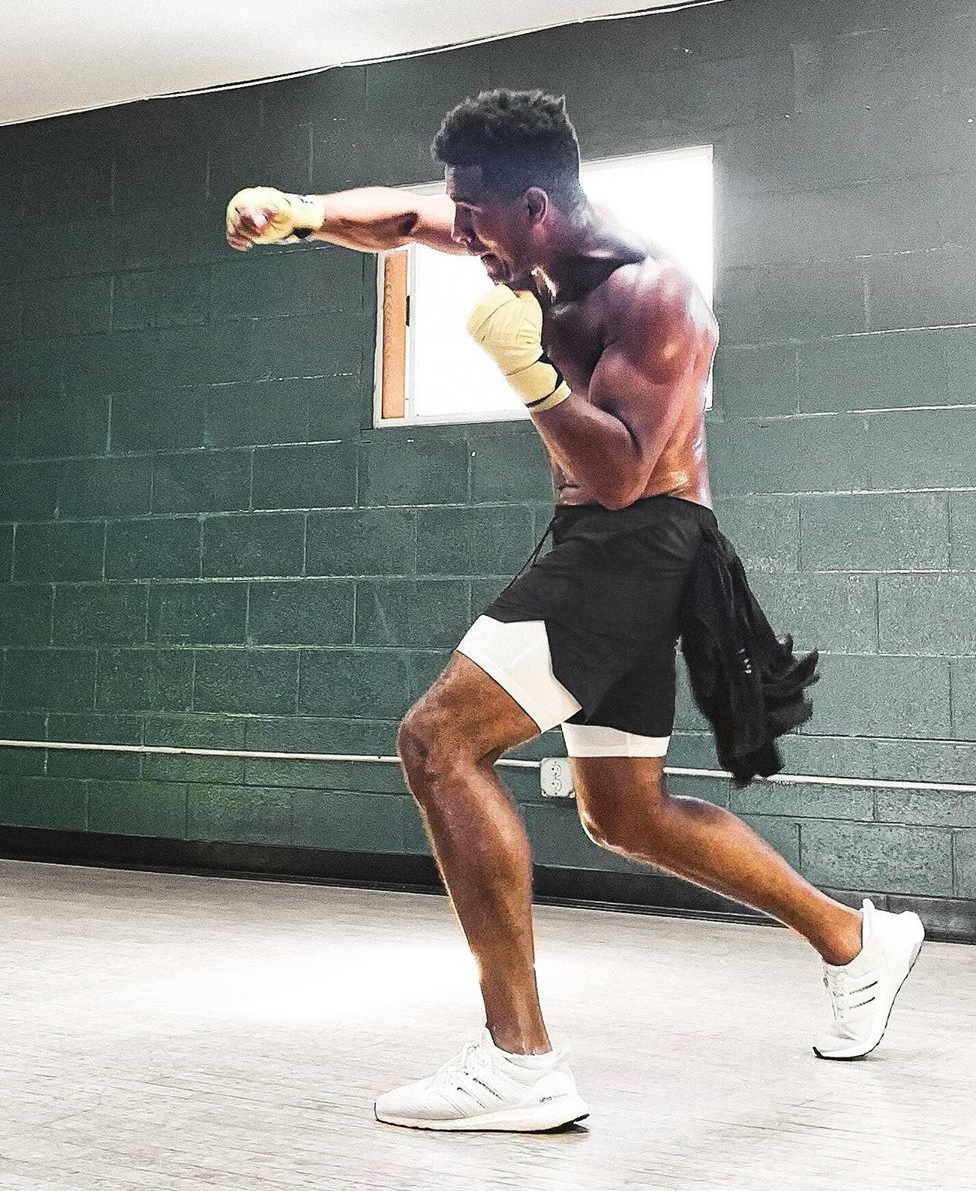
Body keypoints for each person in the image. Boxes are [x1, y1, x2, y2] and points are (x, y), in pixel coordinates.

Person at [225, 88, 925, 1133]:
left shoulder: (654, 294)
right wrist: (303, 213)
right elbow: (402, 219)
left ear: (538, 208)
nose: (461, 236)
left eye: (477, 219)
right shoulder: (526, 250)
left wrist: (531, 371)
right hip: (608, 545)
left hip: (638, 541)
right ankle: (855, 943)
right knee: (624, 813)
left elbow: (622, 476)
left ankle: (519, 1061)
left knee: (437, 744)